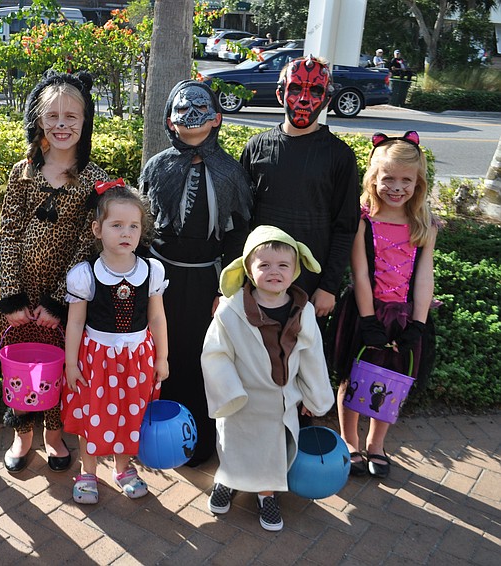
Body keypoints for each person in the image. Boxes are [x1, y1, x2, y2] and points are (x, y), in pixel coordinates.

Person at [0, 70, 110, 474]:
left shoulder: (95, 180)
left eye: (71, 116)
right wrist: (12, 294)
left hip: (64, 295)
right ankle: (22, 434)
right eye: (52, 116)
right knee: (19, 366)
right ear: (38, 119)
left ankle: (54, 435)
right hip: (22, 288)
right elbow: (9, 233)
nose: (61, 125)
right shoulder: (23, 172)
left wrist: (59, 302)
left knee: (59, 364)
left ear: (85, 121)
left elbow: (88, 244)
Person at [140, 79, 253, 467]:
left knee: (200, 356)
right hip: (161, 278)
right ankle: (157, 433)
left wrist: (227, 288)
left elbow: (238, 234)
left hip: (207, 280)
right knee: (161, 352)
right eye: (182, 109)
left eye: (200, 108)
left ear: (217, 118)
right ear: (169, 120)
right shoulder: (157, 166)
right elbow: (142, 225)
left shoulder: (230, 171)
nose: (191, 115)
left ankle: (196, 438)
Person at [201, 225, 335, 532]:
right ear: (249, 270)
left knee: (272, 451)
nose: (274, 272)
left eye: (283, 265)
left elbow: (312, 355)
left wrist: (314, 396)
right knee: (232, 444)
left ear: (295, 270)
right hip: (242, 398)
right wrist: (230, 391)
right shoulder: (231, 311)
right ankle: (227, 480)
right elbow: (215, 353)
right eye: (264, 265)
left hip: (280, 400)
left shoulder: (303, 311)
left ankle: (267, 493)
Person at [328, 131, 437, 479]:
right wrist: (368, 320)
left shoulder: (424, 225)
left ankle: (376, 444)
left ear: (418, 183)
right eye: (388, 178)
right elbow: (360, 273)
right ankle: (349, 440)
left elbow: (424, 277)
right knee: (354, 375)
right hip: (365, 311)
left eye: (406, 180)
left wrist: (417, 324)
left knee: (394, 379)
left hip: (405, 315)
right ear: (374, 177)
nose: (397, 187)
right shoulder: (363, 221)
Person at [63, 181, 169, 504]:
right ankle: (88, 471)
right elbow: (76, 322)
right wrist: (70, 364)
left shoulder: (151, 271)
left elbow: (157, 318)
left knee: (130, 414)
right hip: (96, 359)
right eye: (117, 225)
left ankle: (123, 468)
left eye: (134, 226)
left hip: (137, 358)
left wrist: (162, 357)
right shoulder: (85, 275)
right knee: (91, 413)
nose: (126, 233)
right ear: (98, 229)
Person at [241, 55, 359, 324]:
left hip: (310, 285)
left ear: (327, 99)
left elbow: (345, 226)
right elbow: (241, 219)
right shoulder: (256, 147)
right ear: (280, 93)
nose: (304, 99)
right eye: (295, 88)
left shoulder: (339, 156)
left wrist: (329, 286)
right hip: (259, 280)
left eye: (315, 91)